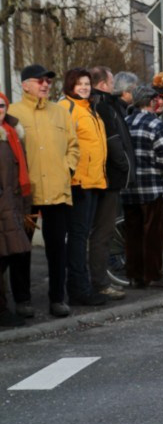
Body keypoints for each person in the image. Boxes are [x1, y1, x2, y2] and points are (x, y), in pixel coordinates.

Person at [9, 64, 79, 318]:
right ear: (25, 84)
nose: (45, 85)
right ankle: (23, 300)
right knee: (21, 250)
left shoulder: (59, 113)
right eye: (40, 81)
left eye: (48, 81)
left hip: (57, 191)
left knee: (57, 249)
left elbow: (73, 146)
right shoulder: (14, 113)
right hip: (26, 195)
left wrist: (67, 169)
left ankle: (57, 299)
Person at [59, 68, 109, 307]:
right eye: (79, 84)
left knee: (82, 237)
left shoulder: (89, 109)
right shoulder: (66, 108)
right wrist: (71, 177)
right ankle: (79, 289)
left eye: (87, 83)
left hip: (94, 181)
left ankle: (81, 286)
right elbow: (65, 146)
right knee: (77, 238)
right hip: (78, 183)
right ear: (70, 86)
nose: (84, 87)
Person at [88, 66, 136, 301]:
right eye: (111, 80)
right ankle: (100, 282)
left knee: (100, 232)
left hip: (106, 176)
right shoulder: (104, 106)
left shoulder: (103, 104)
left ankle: (98, 280)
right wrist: (125, 165)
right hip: (108, 177)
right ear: (105, 84)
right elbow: (114, 141)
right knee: (102, 233)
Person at [121, 85, 163, 289]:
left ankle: (135, 275)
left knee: (132, 234)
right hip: (151, 187)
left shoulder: (126, 122)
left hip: (129, 188)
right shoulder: (155, 124)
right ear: (151, 101)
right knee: (153, 234)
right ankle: (153, 275)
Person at [0, 90, 33, 326]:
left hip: (13, 205)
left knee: (14, 254)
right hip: (3, 205)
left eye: (2, 106)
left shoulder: (12, 133)